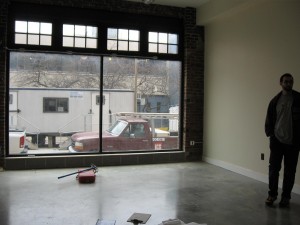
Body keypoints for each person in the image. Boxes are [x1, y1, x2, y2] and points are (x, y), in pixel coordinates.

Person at [265, 73, 300, 207]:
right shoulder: (275, 101)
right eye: (286, 81)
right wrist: (270, 135)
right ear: (280, 83)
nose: (288, 84)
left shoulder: (298, 99)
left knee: (290, 171)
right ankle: (272, 195)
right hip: (277, 141)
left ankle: (286, 197)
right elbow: (269, 118)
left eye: (290, 81)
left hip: (293, 143)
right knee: (273, 169)